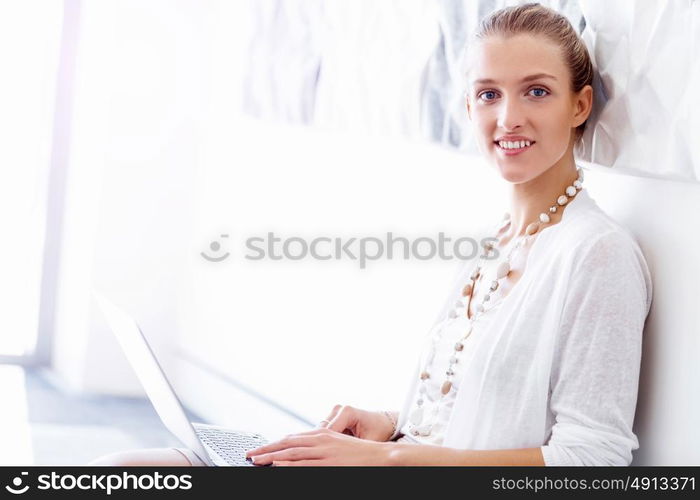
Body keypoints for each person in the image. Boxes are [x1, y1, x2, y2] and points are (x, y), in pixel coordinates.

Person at [90, 2, 652, 467]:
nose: (507, 118)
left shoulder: (598, 254)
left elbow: (593, 458)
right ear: (468, 106)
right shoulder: (498, 239)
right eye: (488, 94)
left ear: (579, 105)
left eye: (535, 91)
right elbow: (467, 414)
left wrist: (387, 462)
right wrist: (388, 426)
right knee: (131, 470)